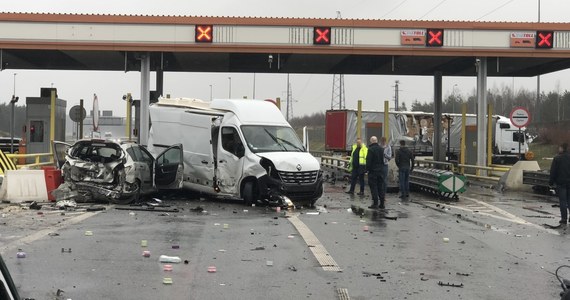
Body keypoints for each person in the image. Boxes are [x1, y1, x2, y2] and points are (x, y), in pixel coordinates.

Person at [549, 143, 570, 224]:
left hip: (561, 183)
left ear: (562, 148)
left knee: (563, 201)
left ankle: (564, 219)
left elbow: (553, 171)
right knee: (569, 200)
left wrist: (551, 182)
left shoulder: (557, 158)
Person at [366, 136, 385, 209]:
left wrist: (367, 170)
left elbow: (369, 161)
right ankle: (382, 203)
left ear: (371, 141)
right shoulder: (381, 149)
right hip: (381, 171)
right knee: (380, 187)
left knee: (373, 187)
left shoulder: (370, 150)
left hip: (373, 172)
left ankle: (375, 203)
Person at [379, 137, 391, 203]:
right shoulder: (378, 147)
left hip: (385, 165)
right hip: (379, 165)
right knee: (379, 180)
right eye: (382, 141)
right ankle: (379, 194)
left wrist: (384, 154)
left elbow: (389, 157)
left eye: (384, 141)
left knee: (384, 181)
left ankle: (384, 195)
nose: (383, 142)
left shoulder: (388, 147)